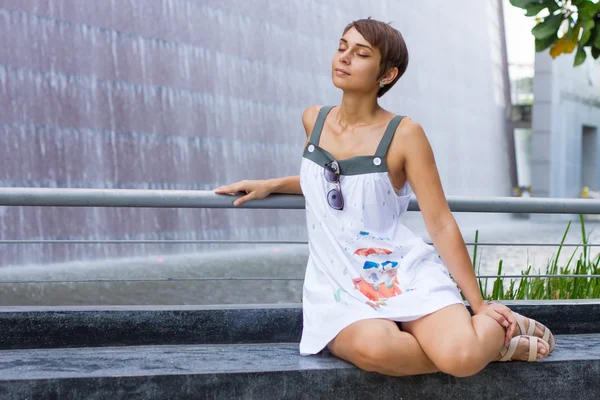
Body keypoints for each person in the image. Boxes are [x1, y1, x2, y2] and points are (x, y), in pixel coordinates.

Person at [214, 17, 555, 377]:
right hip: (338, 284)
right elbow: (330, 182)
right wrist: (271, 184)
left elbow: (439, 222)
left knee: (460, 358)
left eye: (360, 54)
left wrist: (479, 304)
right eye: (341, 47)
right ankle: (492, 347)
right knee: (377, 349)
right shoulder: (313, 120)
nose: (343, 58)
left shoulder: (405, 135)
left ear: (386, 75)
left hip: (401, 271)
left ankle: (491, 333)